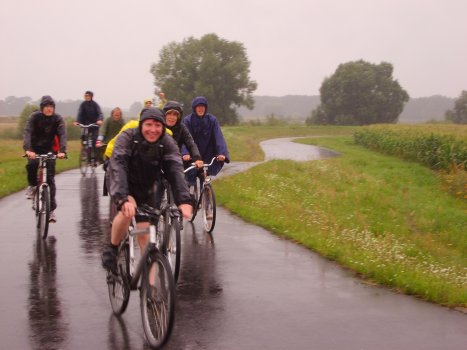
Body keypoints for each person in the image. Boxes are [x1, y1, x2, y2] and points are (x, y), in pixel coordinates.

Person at [102, 107, 192, 273]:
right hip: (124, 180)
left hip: (147, 184)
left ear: (163, 127)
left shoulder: (167, 141)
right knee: (127, 212)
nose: (153, 129)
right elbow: (118, 166)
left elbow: (175, 169)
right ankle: (112, 249)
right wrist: (122, 198)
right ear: (141, 125)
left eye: (158, 125)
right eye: (148, 125)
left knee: (146, 236)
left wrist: (184, 200)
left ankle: (152, 292)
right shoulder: (127, 137)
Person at [23, 95, 67, 223]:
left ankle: (51, 211)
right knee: (32, 165)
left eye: (51, 106)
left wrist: (62, 151)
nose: (49, 109)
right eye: (46, 106)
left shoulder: (57, 119)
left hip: (49, 151)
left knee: (50, 180)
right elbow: (27, 132)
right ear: (42, 108)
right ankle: (32, 186)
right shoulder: (34, 117)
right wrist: (28, 149)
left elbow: (63, 134)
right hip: (34, 150)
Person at [181, 96, 230, 187]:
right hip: (192, 157)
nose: (200, 109)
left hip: (208, 154)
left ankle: (206, 197)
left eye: (202, 106)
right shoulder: (187, 121)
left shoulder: (212, 120)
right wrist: (185, 153)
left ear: (206, 108)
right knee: (190, 181)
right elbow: (184, 139)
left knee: (205, 179)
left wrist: (222, 153)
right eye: (198, 106)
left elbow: (218, 137)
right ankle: (190, 196)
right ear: (194, 108)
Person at [163, 100, 203, 169]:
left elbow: (191, 144)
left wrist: (197, 158)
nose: (171, 117)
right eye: (169, 114)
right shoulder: (158, 126)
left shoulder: (182, 128)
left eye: (175, 114)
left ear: (179, 117)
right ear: (164, 115)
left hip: (175, 164)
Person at [74, 90, 104, 164]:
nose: (87, 97)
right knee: (83, 138)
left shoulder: (95, 105)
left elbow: (100, 113)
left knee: (94, 140)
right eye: (86, 96)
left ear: (91, 97)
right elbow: (80, 113)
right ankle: (85, 152)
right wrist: (77, 121)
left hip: (94, 126)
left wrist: (99, 120)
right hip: (86, 125)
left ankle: (95, 158)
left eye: (88, 96)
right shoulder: (83, 105)